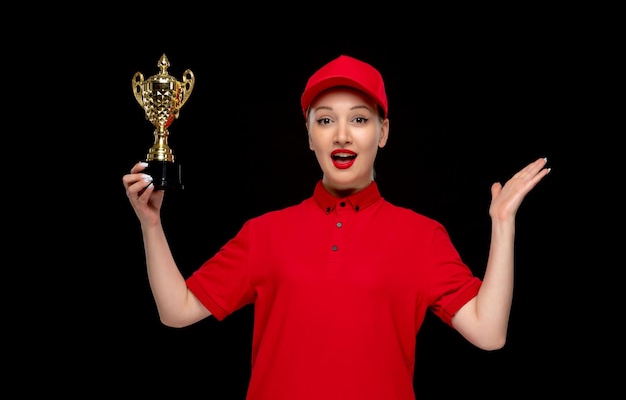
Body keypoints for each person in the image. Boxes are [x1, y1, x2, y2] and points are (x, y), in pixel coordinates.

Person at [123, 54, 550, 399]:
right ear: (309, 136)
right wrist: (151, 225)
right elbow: (176, 312)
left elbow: (489, 332)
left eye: (360, 119)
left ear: (383, 132)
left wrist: (502, 224)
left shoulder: (423, 237)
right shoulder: (263, 233)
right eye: (325, 120)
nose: (342, 134)